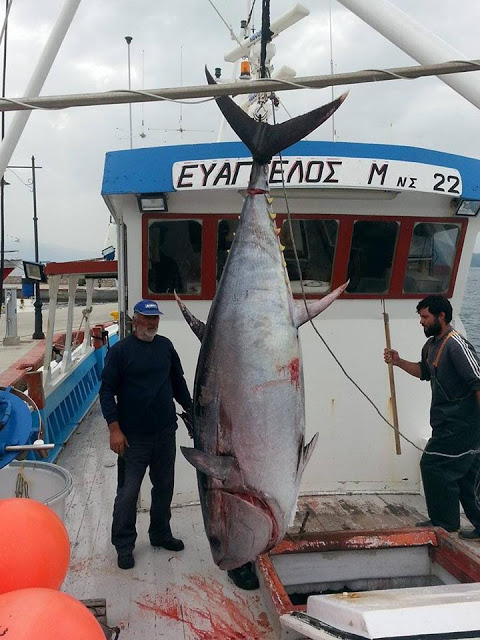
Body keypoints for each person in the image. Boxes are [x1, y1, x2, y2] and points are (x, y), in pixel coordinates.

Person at [99, 299, 193, 570]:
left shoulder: (165, 347)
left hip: (165, 433)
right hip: (132, 438)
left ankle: (160, 533)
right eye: (146, 318)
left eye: (155, 319)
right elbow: (106, 392)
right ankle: (124, 544)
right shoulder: (120, 352)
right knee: (128, 493)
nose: (152, 324)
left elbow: (178, 383)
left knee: (164, 488)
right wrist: (114, 429)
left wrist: (192, 411)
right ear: (134, 320)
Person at [384, 295, 480, 539]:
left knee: (433, 465)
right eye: (420, 317)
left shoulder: (457, 345)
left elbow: (477, 382)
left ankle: (445, 525)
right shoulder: (431, 346)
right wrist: (398, 362)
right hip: (445, 424)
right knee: (466, 476)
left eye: (425, 317)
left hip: (462, 425)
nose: (421, 323)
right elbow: (424, 371)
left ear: (442, 317)